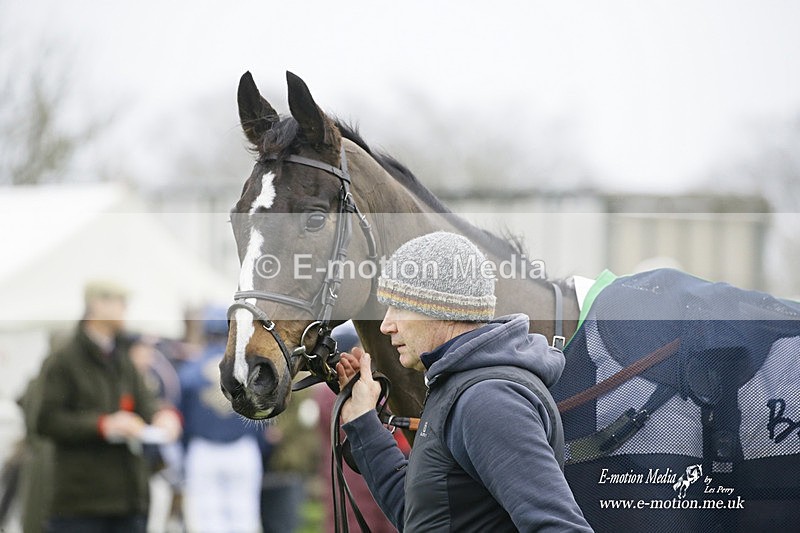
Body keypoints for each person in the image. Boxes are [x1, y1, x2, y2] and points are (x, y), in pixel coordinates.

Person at [336, 232, 593, 532]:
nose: (385, 325)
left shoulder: (488, 400)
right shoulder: (458, 388)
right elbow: (422, 517)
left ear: (444, 309)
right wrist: (364, 421)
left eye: (399, 307)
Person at [36, 279, 182, 533]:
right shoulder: (63, 360)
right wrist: (104, 425)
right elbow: (45, 420)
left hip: (128, 501)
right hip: (80, 505)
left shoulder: (121, 358)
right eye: (119, 302)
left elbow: (146, 402)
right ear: (96, 305)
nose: (125, 308)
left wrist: (163, 417)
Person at [177, 305, 264, 533]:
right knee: (244, 517)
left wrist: (185, 449)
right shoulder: (248, 369)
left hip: (203, 449)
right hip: (242, 447)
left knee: (206, 520)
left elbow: (181, 418)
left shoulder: (189, 370)